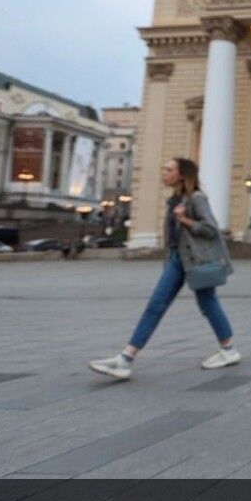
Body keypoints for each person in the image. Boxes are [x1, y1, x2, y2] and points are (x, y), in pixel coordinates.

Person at [88, 157, 239, 380]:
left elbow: (211, 229)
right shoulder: (175, 200)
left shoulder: (196, 199)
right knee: (158, 305)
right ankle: (126, 358)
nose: (164, 173)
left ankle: (228, 349)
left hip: (194, 261)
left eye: (169, 170)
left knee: (205, 303)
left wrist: (185, 220)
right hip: (178, 260)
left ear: (181, 175)